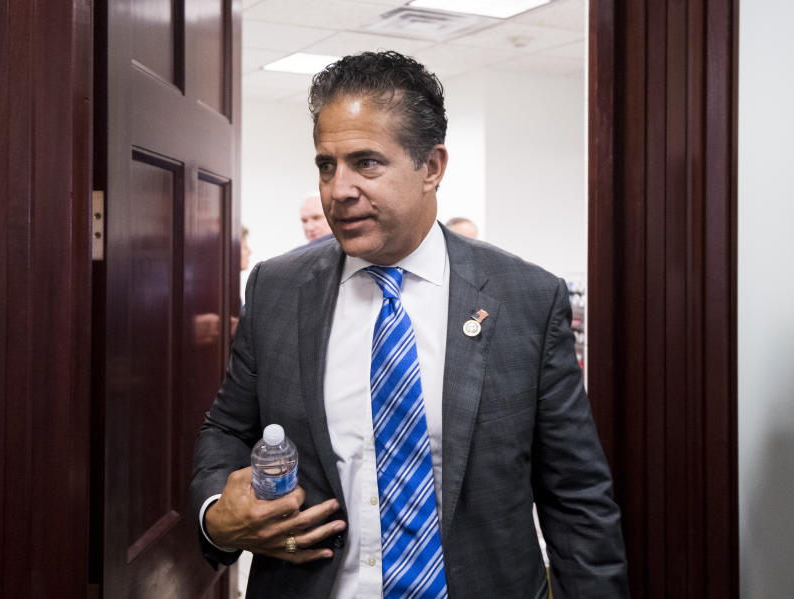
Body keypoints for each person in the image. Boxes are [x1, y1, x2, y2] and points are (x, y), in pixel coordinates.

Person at [191, 51, 628, 598]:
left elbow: (577, 497)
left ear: (432, 167)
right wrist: (216, 515)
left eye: (366, 163)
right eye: (327, 165)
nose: (339, 189)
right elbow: (228, 429)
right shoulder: (277, 289)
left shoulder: (525, 299)